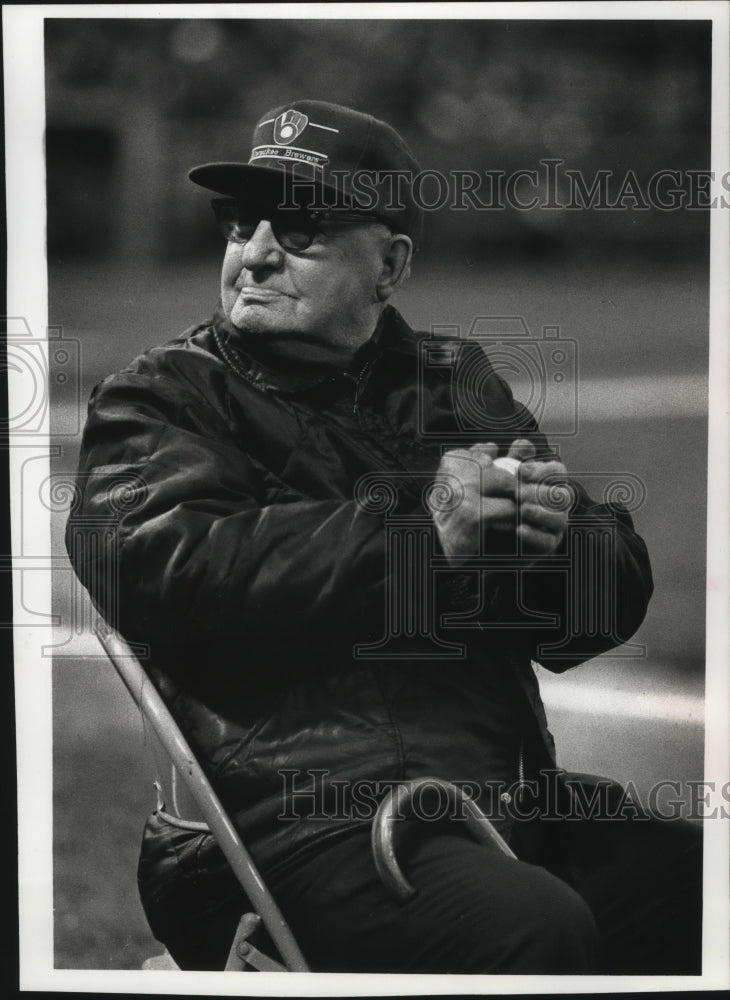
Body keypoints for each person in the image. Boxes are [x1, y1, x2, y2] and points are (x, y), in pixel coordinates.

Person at [66, 100, 701, 975]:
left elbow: (595, 617)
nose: (254, 252)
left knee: (701, 891)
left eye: (300, 225)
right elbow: (161, 571)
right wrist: (424, 535)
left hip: (498, 803)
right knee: (533, 928)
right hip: (288, 826)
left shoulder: (453, 380)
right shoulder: (160, 399)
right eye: (240, 221)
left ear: (391, 264)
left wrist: (559, 546)